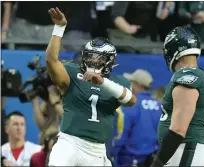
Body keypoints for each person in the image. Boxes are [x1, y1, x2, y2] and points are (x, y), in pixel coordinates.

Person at [45, 7, 136, 166]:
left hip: (97, 150)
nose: (92, 61)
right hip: (70, 142)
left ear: (109, 61)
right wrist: (59, 28)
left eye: (98, 58)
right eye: (89, 56)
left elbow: (131, 100)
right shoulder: (74, 73)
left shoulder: (117, 82)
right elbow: (51, 61)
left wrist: (103, 82)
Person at [151, 26, 204, 167]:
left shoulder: (187, 76)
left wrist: (157, 162)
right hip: (196, 151)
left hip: (186, 151)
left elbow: (178, 130)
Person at [112, 69, 161, 167]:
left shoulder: (131, 104)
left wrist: (112, 154)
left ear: (139, 85)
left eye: (131, 82)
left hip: (129, 159)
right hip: (153, 159)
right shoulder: (159, 106)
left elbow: (121, 132)